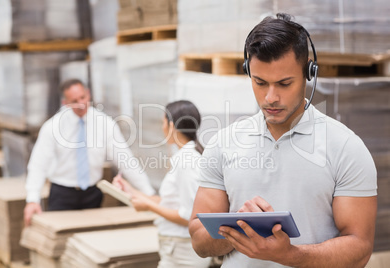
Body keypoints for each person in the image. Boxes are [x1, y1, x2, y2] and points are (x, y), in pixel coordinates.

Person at [189, 13, 377, 268]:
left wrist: (289, 255)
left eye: (284, 83)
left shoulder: (345, 148)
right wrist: (239, 226)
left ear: (309, 72)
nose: (271, 97)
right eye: (260, 82)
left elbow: (360, 248)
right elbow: (199, 240)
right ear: (248, 72)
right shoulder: (223, 143)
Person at [23, 79, 155, 226]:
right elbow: (38, 164)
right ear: (65, 103)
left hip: (92, 194)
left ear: (88, 94)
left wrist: (149, 194)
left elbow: (125, 160)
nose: (80, 104)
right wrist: (32, 199)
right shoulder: (52, 127)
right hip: (62, 194)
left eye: (82, 98)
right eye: (74, 100)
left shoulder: (104, 123)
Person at [113, 100, 212, 268]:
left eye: (163, 123)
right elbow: (170, 202)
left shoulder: (187, 162)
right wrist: (130, 190)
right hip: (175, 248)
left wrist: (149, 207)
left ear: (171, 125)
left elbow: (189, 217)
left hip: (183, 250)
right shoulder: (186, 156)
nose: (162, 128)